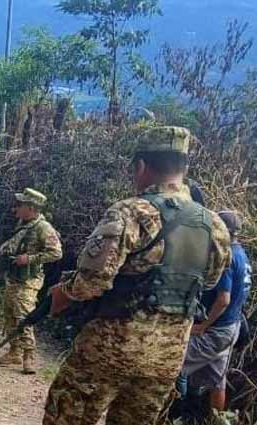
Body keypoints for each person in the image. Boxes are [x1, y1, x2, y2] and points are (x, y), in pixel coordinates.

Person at [43, 126, 232, 425]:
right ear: (184, 168)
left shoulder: (130, 212)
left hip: (108, 350)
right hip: (167, 358)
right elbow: (208, 282)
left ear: (141, 166)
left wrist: (61, 294)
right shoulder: (216, 225)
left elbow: (91, 282)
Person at [177, 210, 252, 415]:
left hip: (215, 331)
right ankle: (216, 419)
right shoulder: (241, 254)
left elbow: (224, 299)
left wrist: (203, 326)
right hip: (230, 328)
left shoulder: (226, 256)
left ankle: (176, 411)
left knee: (174, 363)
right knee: (217, 381)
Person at [0, 188, 62, 374]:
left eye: (21, 204)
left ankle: (29, 356)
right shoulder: (24, 223)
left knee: (24, 316)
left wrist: (29, 259)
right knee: (9, 314)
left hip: (28, 281)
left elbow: (56, 253)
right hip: (14, 278)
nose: (17, 208)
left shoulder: (43, 227)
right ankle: (14, 352)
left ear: (31, 208)